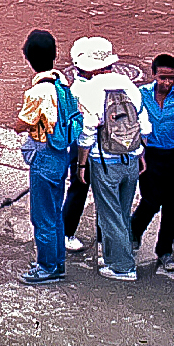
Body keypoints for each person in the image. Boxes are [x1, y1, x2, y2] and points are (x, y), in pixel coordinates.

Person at [69, 37, 151, 281]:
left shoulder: (91, 90)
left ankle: (123, 267)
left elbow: (88, 133)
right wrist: (140, 153)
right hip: (131, 159)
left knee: (110, 214)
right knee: (122, 212)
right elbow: (145, 127)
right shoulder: (130, 87)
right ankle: (113, 255)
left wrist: (82, 164)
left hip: (105, 162)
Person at [13, 29, 81, 284]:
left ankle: (47, 267)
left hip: (43, 156)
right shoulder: (63, 85)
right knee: (55, 213)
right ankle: (56, 261)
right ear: (54, 55)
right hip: (61, 154)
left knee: (41, 216)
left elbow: (22, 124)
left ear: (28, 58)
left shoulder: (37, 92)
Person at [129, 54, 174, 273]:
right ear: (154, 74)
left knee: (172, 207)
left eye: (172, 78)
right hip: (148, 155)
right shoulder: (141, 94)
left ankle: (165, 251)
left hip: (172, 155)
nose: (167, 83)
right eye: (163, 77)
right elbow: (133, 122)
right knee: (150, 199)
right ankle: (134, 230)